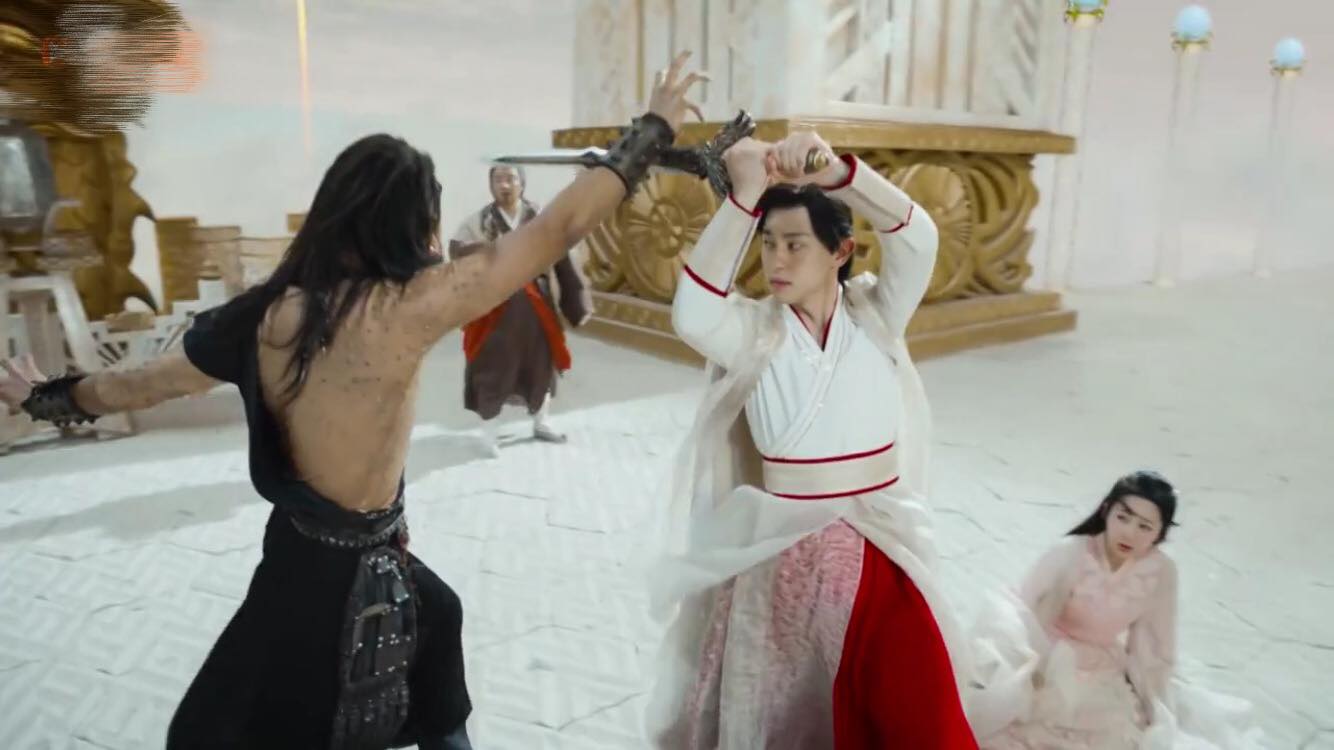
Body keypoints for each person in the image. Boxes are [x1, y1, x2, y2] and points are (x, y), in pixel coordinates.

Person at [0, 51, 706, 749]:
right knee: (377, 688)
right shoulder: (412, 304)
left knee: (302, 692)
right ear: (409, 224)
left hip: (309, 559)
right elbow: (556, 230)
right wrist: (651, 129)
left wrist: (44, 399)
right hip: (342, 566)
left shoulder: (261, 315)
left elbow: (140, 384)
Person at [645, 132, 977, 748]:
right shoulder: (752, 333)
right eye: (768, 242)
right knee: (790, 715)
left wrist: (836, 172)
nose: (777, 260)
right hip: (787, 550)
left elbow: (920, 236)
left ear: (840, 251)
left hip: (881, 541)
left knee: (917, 710)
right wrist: (744, 195)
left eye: (795, 244)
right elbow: (691, 314)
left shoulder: (878, 314)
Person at [966, 471, 1264, 750]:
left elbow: (1153, 641)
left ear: (1160, 534)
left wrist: (1153, 699)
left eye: (1145, 526)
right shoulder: (1071, 551)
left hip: (1102, 663)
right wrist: (1033, 669)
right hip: (1049, 652)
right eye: (1123, 517)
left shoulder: (1160, 571)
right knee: (1028, 719)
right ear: (1106, 510)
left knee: (1111, 726)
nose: (1129, 533)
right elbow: (1030, 613)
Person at [449, 164, 591, 447]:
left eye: (510, 178)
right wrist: (491, 252)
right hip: (495, 309)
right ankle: (489, 431)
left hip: (537, 307)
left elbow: (563, 256)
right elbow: (458, 251)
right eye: (498, 179)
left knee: (541, 365)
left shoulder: (540, 218)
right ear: (491, 185)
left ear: (522, 183)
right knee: (491, 366)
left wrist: (576, 301)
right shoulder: (479, 222)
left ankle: (542, 422)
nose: (504, 185)